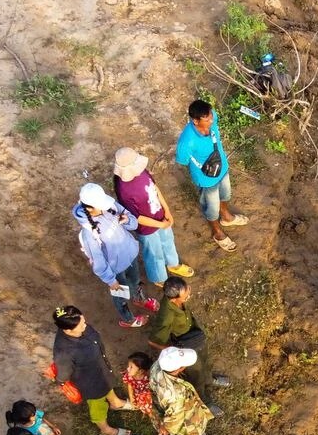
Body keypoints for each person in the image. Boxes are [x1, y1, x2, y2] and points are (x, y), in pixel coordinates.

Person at [73, 183, 158, 328]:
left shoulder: (110, 206)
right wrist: (111, 281)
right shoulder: (88, 233)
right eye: (99, 205)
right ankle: (128, 318)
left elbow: (133, 222)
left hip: (130, 255)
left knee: (135, 280)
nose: (104, 207)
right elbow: (98, 261)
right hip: (115, 269)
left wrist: (127, 220)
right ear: (89, 208)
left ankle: (139, 298)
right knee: (121, 295)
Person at [112, 146, 195, 286]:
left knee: (168, 241)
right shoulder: (124, 190)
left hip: (160, 216)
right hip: (146, 229)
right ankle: (159, 278)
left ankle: (173, 264)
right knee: (153, 253)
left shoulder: (143, 172)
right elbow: (137, 217)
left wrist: (167, 210)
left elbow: (155, 189)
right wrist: (160, 225)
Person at [175, 99, 249, 252]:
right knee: (212, 207)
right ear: (195, 121)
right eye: (206, 118)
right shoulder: (186, 141)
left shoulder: (212, 116)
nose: (211, 119)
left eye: (210, 115)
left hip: (222, 169)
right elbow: (183, 160)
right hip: (206, 179)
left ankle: (227, 217)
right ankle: (217, 232)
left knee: (226, 194)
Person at [147, 276, 228, 412]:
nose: (189, 295)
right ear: (173, 299)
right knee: (196, 374)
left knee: (204, 360)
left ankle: (209, 379)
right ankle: (204, 400)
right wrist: (172, 351)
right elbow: (153, 340)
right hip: (185, 344)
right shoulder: (166, 316)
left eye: (188, 290)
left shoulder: (178, 300)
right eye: (185, 296)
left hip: (194, 335)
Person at [51, 306, 131, 435]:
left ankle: (115, 402)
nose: (85, 325)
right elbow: (64, 372)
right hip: (90, 383)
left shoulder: (81, 328)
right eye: (81, 325)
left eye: (83, 320)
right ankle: (105, 430)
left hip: (101, 370)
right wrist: (61, 381)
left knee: (107, 384)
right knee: (97, 406)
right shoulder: (64, 351)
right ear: (67, 330)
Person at [149, 347, 220, 435]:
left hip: (179, 413)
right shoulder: (175, 394)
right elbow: (174, 419)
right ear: (178, 369)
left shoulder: (157, 366)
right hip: (189, 425)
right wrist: (165, 428)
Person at [121, 352, 162, 430]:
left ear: (140, 371)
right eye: (128, 366)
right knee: (145, 404)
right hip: (140, 394)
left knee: (153, 402)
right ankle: (151, 415)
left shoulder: (147, 376)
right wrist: (132, 398)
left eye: (131, 367)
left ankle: (153, 413)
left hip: (148, 393)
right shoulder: (130, 376)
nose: (127, 369)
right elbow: (130, 386)